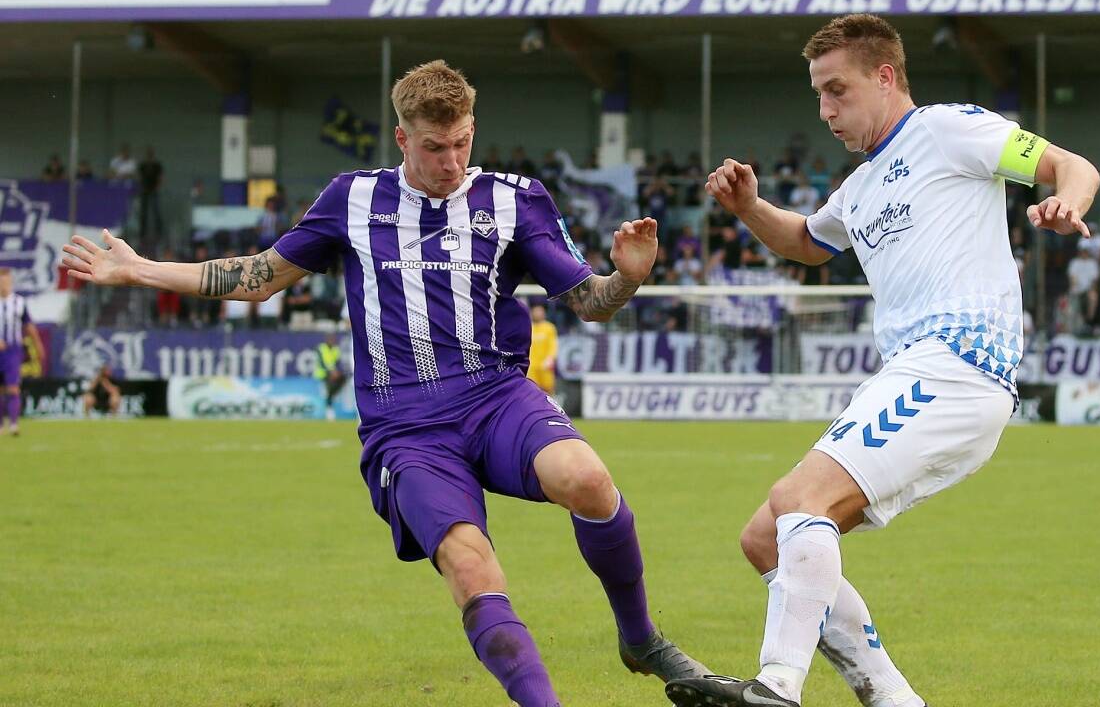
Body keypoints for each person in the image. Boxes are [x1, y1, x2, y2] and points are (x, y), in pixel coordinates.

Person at [61, 59, 706, 707]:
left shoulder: (515, 199)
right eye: (433, 147)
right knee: (470, 565)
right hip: (407, 428)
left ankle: (640, 638)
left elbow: (589, 302)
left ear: (472, 129)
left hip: (494, 396)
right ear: (402, 139)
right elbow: (259, 276)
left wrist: (627, 277)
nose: (451, 162)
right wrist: (143, 270)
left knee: (589, 480)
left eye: (461, 144)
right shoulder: (352, 198)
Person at [666, 14, 1100, 707]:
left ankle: (776, 686)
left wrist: (1065, 201)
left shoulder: (946, 128)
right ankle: (894, 699)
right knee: (765, 538)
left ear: (886, 76)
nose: (826, 110)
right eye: (818, 94)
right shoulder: (863, 186)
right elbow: (809, 242)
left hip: (959, 364)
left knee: (800, 503)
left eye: (838, 90)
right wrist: (750, 207)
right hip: (917, 372)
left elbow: (1069, 165)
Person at [1, 267, 44, 437]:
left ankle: (13, 424)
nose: (3, 284)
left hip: (13, 350)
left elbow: (29, 326)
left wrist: (38, 345)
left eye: (6, 281)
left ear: (10, 282)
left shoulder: (19, 303)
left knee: (12, 388)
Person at [314, 332, 347, 421]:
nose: (332, 341)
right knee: (329, 391)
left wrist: (337, 372)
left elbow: (338, 362)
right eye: (330, 340)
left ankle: (331, 398)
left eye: (333, 340)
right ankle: (329, 410)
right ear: (327, 340)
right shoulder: (321, 348)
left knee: (343, 378)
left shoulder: (336, 349)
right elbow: (321, 363)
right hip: (323, 374)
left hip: (333, 374)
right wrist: (332, 372)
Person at [527, 303, 558, 396]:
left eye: (540, 311)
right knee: (532, 390)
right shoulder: (528, 327)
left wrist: (551, 358)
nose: (538, 313)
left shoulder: (549, 328)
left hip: (545, 365)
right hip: (531, 366)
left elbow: (553, 345)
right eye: (536, 311)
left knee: (548, 390)